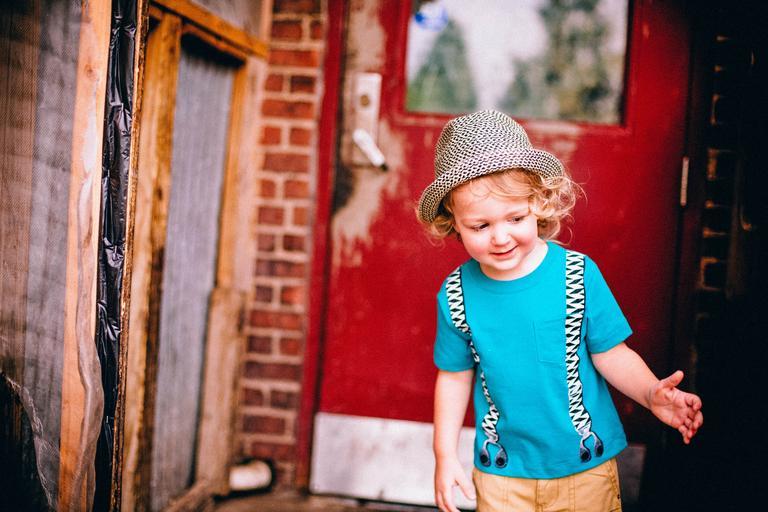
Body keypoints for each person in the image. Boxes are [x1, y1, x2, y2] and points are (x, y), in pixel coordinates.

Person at [416, 110, 703, 512]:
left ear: (538, 203)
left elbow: (611, 354)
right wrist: (444, 455)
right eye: (480, 226)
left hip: (584, 469)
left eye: (515, 218)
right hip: (502, 474)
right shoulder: (456, 294)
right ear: (454, 224)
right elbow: (453, 376)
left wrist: (650, 393)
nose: (500, 237)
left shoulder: (576, 275)